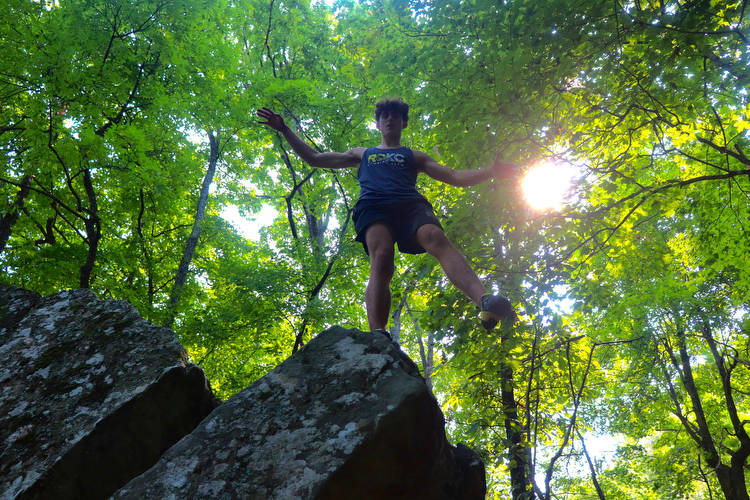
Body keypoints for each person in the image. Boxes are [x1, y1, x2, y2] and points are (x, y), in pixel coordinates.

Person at [257, 98, 518, 337]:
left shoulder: (415, 156)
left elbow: (453, 176)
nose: (389, 119)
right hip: (374, 206)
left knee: (435, 236)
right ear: (378, 123)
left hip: (410, 205)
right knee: (381, 258)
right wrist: (285, 130)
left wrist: (491, 172)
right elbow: (314, 158)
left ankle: (484, 300)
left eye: (395, 116)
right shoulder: (362, 153)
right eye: (384, 116)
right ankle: (378, 335)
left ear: (403, 123)